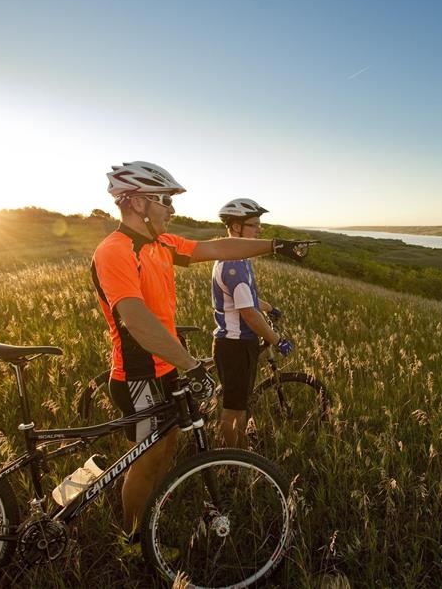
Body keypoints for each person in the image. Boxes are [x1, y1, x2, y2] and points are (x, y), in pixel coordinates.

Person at [91, 161, 313, 543]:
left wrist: (275, 245)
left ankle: (149, 522)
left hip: (165, 369)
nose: (172, 210)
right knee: (145, 464)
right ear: (140, 204)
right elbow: (136, 320)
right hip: (139, 374)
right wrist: (191, 364)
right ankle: (131, 540)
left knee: (165, 454)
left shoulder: (161, 243)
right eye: (165, 201)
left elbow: (217, 247)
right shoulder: (116, 251)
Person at [212, 198, 293, 448]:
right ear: (236, 227)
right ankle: (234, 461)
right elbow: (248, 312)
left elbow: (250, 299)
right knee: (233, 409)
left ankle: (240, 451)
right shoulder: (234, 265)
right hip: (235, 345)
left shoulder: (239, 257)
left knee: (239, 404)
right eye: (254, 225)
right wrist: (277, 340)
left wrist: (270, 307)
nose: (260, 230)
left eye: (260, 225)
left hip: (236, 343)